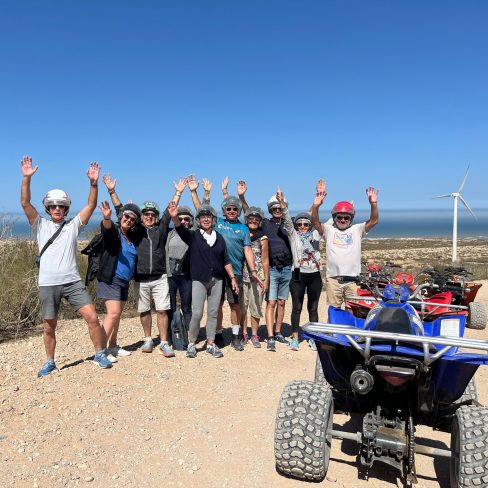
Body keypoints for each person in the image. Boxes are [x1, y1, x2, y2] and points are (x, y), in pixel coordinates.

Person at [20, 155, 112, 376]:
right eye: (53, 206)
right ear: (48, 208)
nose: (57, 209)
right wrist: (26, 179)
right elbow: (25, 203)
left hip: (72, 281)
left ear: (66, 208)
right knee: (49, 326)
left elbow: (91, 205)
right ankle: (50, 361)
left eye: (61, 206)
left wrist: (93, 183)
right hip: (48, 283)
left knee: (92, 316)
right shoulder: (40, 225)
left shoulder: (72, 227)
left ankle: (99, 353)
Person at [102, 174, 186, 357]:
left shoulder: (161, 229)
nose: (149, 216)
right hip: (140, 278)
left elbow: (168, 211)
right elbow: (120, 211)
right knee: (144, 310)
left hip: (159, 276)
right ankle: (148, 339)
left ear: (156, 217)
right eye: (146, 214)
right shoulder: (135, 230)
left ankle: (164, 342)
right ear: (142, 217)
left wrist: (178, 192)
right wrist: (112, 190)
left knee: (163, 310)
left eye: (152, 214)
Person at [168, 201, 238, 358]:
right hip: (199, 279)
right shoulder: (193, 236)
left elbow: (225, 260)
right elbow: (180, 229)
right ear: (199, 220)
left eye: (209, 216)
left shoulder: (219, 238)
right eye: (203, 217)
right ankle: (192, 343)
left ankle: (211, 344)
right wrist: (174, 218)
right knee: (197, 313)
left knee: (213, 312)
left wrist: (232, 277)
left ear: (213, 219)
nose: (206, 219)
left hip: (217, 279)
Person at [238, 182, 293, 352]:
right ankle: (260, 335)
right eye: (274, 208)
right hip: (267, 270)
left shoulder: (288, 225)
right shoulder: (265, 224)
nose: (277, 210)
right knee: (267, 303)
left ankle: (275, 333)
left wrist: (284, 203)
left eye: (280, 208)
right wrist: (241, 197)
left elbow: (299, 219)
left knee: (280, 302)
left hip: (286, 267)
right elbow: (251, 215)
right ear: (270, 210)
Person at [311, 179, 379, 310]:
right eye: (339, 217)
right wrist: (316, 206)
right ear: (334, 218)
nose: (343, 220)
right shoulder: (328, 230)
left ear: (351, 218)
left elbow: (374, 220)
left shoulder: (357, 229)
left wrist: (373, 204)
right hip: (333, 280)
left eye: (346, 217)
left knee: (353, 311)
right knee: (334, 313)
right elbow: (315, 222)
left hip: (353, 281)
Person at [276, 190, 323, 351]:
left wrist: (318, 203)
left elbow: (326, 223)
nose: (303, 226)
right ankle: (295, 338)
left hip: (315, 274)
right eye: (300, 224)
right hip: (297, 273)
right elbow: (287, 219)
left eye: (306, 224)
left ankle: (314, 337)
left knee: (313, 307)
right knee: (297, 307)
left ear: (310, 225)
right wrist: (282, 204)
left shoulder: (316, 234)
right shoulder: (293, 235)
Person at [97, 201, 140, 362]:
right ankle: (100, 352)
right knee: (113, 313)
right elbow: (106, 229)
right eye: (126, 216)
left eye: (132, 219)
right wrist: (106, 218)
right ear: (121, 216)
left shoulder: (129, 236)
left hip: (123, 281)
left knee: (117, 314)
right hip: (111, 278)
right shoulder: (114, 231)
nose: (128, 220)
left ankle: (113, 345)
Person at [240, 206, 269, 347]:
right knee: (242, 306)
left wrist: (266, 279)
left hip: (259, 275)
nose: (253, 221)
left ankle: (255, 334)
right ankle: (244, 333)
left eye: (256, 220)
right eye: (251, 219)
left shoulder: (263, 238)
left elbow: (265, 260)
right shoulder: (241, 233)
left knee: (256, 306)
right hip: (242, 274)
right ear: (246, 220)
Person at [165, 205, 194, 332]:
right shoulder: (169, 233)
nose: (183, 221)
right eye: (180, 219)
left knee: (186, 307)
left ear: (191, 220)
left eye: (186, 219)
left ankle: (189, 334)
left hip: (187, 276)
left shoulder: (194, 234)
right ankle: (172, 333)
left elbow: (201, 211)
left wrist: (206, 194)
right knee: (170, 306)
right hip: (171, 275)